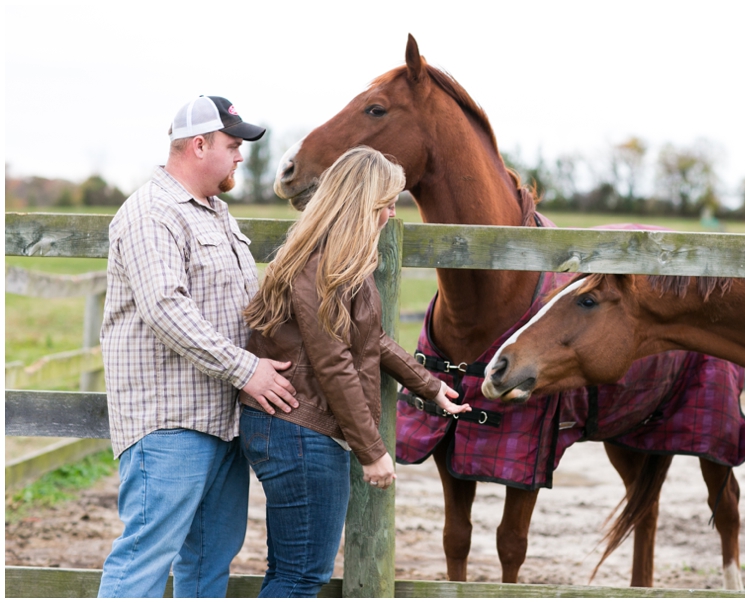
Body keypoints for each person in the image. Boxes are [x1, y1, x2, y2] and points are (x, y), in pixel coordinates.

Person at [239, 146, 470, 597]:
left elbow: (369, 338)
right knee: (302, 577)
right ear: (364, 205)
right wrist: (372, 451)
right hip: (300, 429)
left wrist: (430, 386)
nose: (389, 215)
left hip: (295, 427)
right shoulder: (324, 264)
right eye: (387, 204)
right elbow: (333, 362)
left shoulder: (333, 257)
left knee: (290, 571)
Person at [98, 95, 299, 598]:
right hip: (170, 421)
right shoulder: (151, 212)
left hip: (223, 421)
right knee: (145, 558)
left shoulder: (215, 214)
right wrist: (247, 370)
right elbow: (165, 308)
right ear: (199, 144)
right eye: (232, 145)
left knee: (209, 565)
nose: (240, 156)